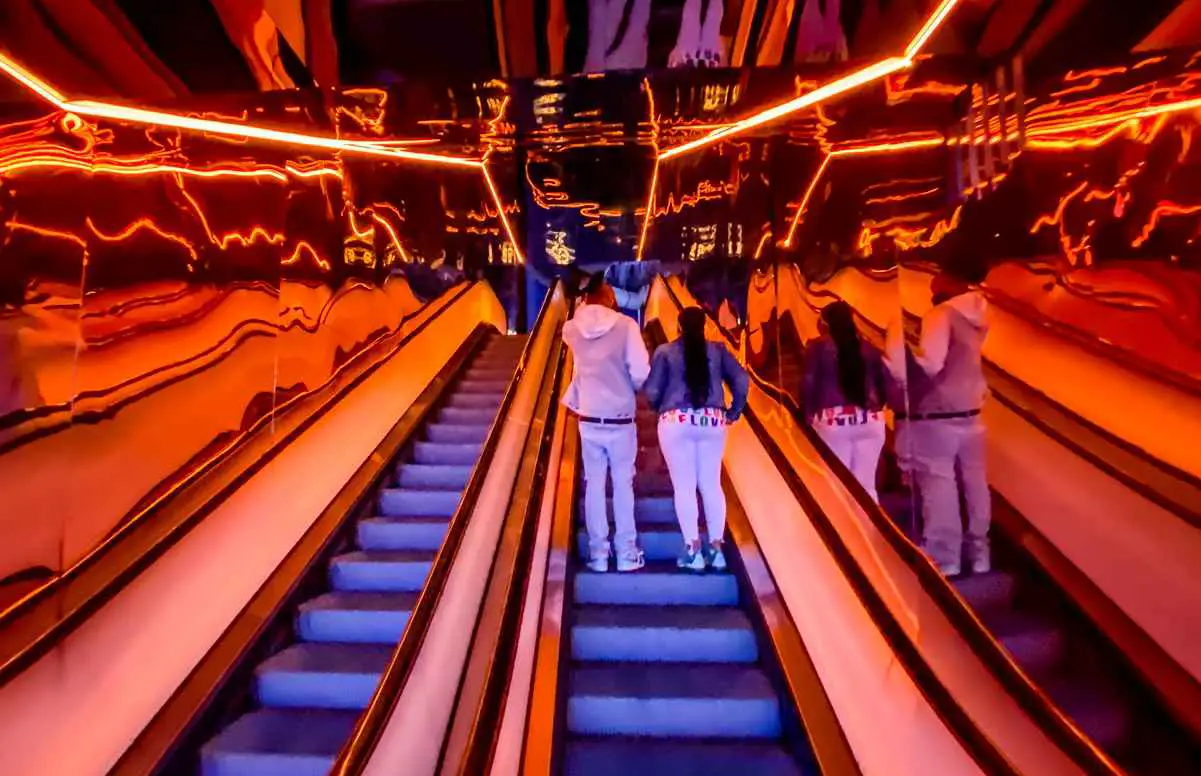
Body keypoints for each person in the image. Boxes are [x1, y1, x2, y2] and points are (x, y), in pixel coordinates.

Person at [887, 265, 991, 577]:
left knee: (939, 486)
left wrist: (897, 361)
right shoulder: (980, 317)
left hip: (936, 417)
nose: (932, 286)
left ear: (949, 279)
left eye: (937, 278)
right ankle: (980, 554)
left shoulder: (940, 315)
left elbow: (930, 364)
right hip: (972, 416)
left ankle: (946, 559)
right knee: (975, 485)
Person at [645, 307, 749, 572]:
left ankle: (693, 551)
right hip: (713, 420)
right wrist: (734, 410)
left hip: (676, 421)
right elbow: (741, 379)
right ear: (705, 326)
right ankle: (716, 550)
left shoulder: (665, 352)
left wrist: (661, 408)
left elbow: (653, 390)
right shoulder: (718, 350)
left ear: (678, 326)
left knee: (685, 487)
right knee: (711, 485)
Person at [563, 275, 651, 573]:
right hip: (620, 419)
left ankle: (598, 554)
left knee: (594, 485)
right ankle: (626, 553)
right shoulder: (626, 327)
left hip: (588, 418)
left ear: (586, 298)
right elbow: (640, 372)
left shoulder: (572, 329)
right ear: (610, 298)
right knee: (623, 485)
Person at [802, 301, 888, 502]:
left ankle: (844, 533)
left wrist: (806, 416)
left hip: (833, 422)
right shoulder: (869, 348)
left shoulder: (817, 348)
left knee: (837, 487)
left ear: (825, 323)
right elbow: (884, 384)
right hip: (871, 420)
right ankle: (869, 531)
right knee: (866, 485)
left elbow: (808, 384)